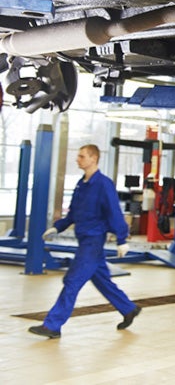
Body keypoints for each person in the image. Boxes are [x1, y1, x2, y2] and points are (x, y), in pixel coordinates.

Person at [29, 144, 141, 339]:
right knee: (101, 279)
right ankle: (128, 308)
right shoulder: (82, 184)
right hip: (84, 239)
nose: (77, 159)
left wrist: (121, 239)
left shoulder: (103, 184)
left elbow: (114, 212)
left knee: (72, 281)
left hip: (93, 241)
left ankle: (52, 325)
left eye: (81, 156)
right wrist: (58, 226)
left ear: (93, 159)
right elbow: (74, 212)